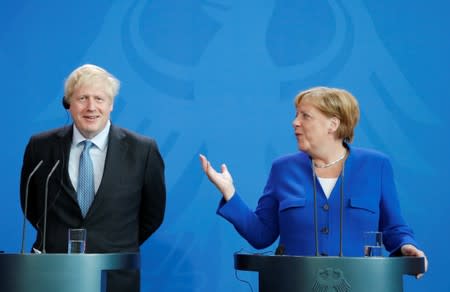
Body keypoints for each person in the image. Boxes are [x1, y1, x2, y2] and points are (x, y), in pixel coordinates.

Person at [200, 86, 427, 278]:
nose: (294, 123)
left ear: (333, 124)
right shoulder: (283, 169)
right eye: (296, 115)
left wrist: (407, 245)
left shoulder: (376, 165)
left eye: (305, 116)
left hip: (363, 284)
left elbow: (394, 228)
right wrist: (229, 192)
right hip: (293, 285)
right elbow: (261, 235)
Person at [20, 64, 166, 291]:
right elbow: (31, 205)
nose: (91, 107)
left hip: (115, 275)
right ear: (68, 104)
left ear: (111, 105)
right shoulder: (41, 147)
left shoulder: (143, 150)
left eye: (99, 98)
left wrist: (116, 242)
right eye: (82, 98)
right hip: (52, 273)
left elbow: (153, 214)